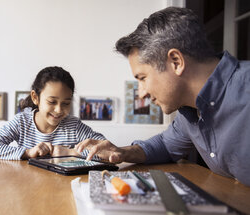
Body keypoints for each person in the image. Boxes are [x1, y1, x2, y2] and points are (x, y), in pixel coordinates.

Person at [75, 7, 250, 186]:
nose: (141, 93)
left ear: (176, 61)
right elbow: (165, 145)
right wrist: (122, 152)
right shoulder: (189, 112)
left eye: (142, 78)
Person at [0, 66, 106, 160]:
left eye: (66, 103)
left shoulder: (74, 126)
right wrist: (28, 152)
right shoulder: (22, 122)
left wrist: (70, 152)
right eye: (52, 102)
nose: (58, 110)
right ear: (35, 97)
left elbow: (106, 150)